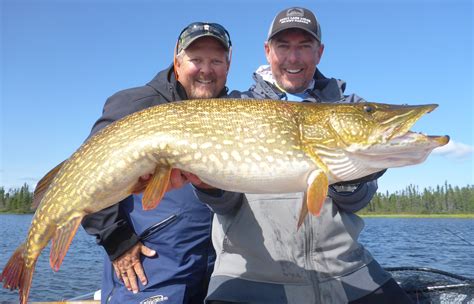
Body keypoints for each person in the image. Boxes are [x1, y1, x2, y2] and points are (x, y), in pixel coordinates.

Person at [189, 7, 414, 304]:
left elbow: (357, 201)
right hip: (249, 278)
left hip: (345, 272)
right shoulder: (233, 108)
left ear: (319, 52)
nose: (293, 58)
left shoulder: (347, 105)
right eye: (283, 46)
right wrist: (209, 184)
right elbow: (227, 203)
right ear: (268, 51)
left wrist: (354, 173)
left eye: (304, 47)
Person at [81, 22, 232, 304]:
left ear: (228, 65)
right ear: (177, 62)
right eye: (196, 60)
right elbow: (86, 176)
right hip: (150, 272)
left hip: (216, 274)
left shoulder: (233, 112)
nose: (206, 70)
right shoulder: (136, 103)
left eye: (216, 61)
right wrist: (118, 241)